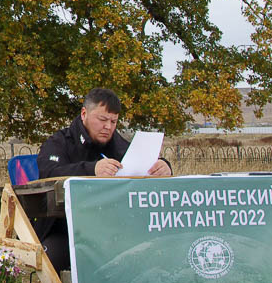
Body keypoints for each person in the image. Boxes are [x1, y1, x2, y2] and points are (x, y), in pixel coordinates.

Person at [34, 87, 172, 271]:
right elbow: (49, 173)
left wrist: (163, 166)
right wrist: (92, 170)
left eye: (114, 121)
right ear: (84, 114)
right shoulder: (58, 142)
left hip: (109, 230)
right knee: (55, 259)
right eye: (102, 119)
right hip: (62, 229)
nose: (108, 127)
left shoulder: (115, 142)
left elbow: (139, 162)